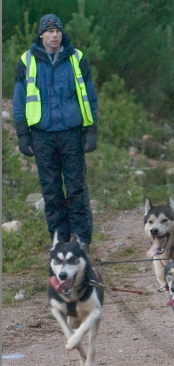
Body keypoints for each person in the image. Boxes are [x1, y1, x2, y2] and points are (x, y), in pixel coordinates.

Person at [13, 13, 98, 246]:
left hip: (72, 133)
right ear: (41, 35)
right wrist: (22, 134)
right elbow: (19, 100)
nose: (54, 35)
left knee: (76, 190)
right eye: (49, 31)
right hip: (42, 136)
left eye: (58, 30)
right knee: (51, 191)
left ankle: (81, 241)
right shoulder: (27, 61)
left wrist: (91, 129)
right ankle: (59, 241)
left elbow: (89, 96)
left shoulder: (76, 58)